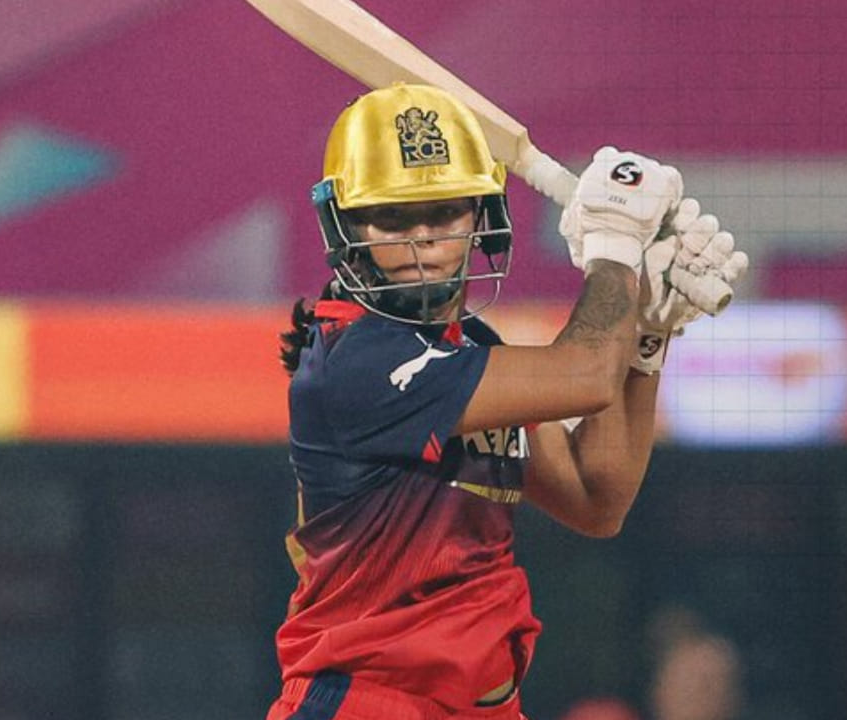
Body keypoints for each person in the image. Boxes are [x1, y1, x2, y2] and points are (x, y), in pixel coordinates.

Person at [267, 84, 748, 720]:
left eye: (444, 213)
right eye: (392, 218)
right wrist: (616, 251)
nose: (422, 240)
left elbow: (596, 499)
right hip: (369, 702)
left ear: (480, 219)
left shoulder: (473, 349)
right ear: (346, 226)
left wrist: (647, 333)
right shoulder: (358, 361)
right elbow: (584, 375)